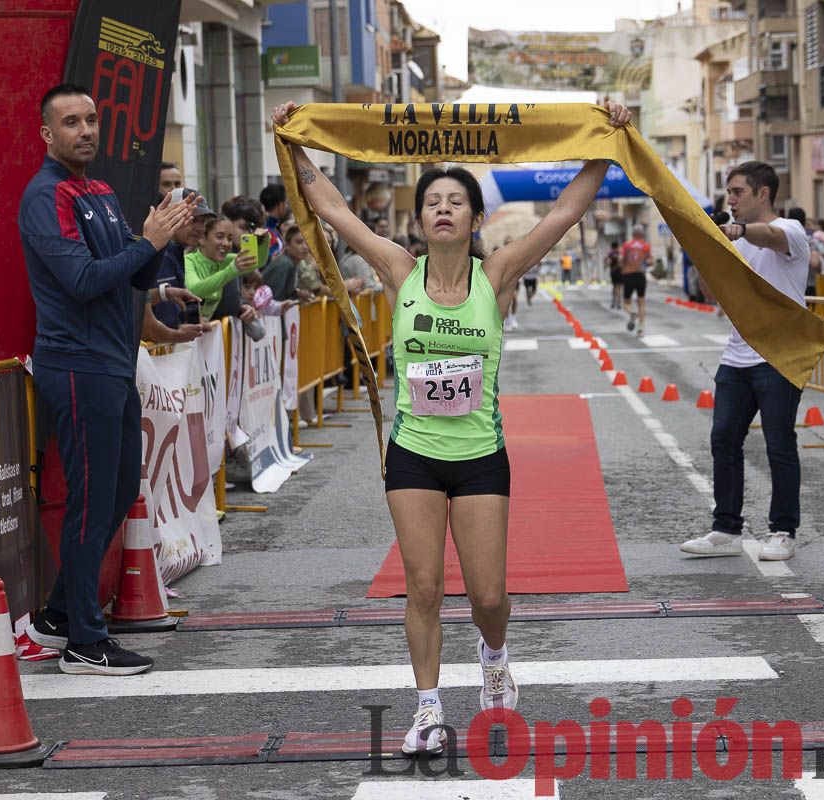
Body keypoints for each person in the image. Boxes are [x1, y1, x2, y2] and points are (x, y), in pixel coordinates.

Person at [272, 98, 632, 756]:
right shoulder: (398, 269)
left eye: (455, 201)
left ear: (474, 218)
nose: (443, 208)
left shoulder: (496, 274)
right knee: (425, 588)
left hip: (479, 457)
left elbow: (564, 213)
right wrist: (292, 141)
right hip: (413, 453)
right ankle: (429, 710)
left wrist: (608, 143)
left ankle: (494, 657)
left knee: (489, 595)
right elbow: (334, 209)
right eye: (433, 201)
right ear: (421, 219)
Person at [20, 84, 196, 675]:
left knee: (118, 493)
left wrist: (160, 237)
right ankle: (84, 641)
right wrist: (148, 241)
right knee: (92, 500)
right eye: (71, 122)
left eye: (91, 119)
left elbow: (133, 274)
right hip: (77, 364)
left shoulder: (98, 190)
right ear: (47, 134)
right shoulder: (45, 195)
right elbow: (84, 281)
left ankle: (58, 616)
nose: (86, 130)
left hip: (114, 363)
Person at [680, 161, 809, 562]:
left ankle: (783, 531)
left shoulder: (790, 230)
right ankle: (726, 529)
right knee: (723, 438)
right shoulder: (734, 239)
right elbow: (712, 294)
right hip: (737, 355)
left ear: (762, 193)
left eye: (737, 192)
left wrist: (738, 231)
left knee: (779, 443)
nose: (730, 200)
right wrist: (705, 250)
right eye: (729, 193)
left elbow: (770, 237)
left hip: (779, 355)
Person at [151, 188, 217, 329]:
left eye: (203, 221)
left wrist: (192, 321)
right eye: (193, 219)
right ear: (172, 215)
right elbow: (166, 318)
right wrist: (179, 331)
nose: (200, 228)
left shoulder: (175, 250)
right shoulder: (162, 253)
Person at [185, 214, 267, 321]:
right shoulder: (188, 260)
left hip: (206, 328)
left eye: (230, 238)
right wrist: (232, 270)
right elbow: (194, 290)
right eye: (220, 237)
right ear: (203, 239)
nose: (226, 243)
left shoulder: (226, 260)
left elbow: (257, 262)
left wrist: (264, 240)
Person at [620, 224, 653, 336]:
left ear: (632, 234)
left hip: (628, 275)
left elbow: (621, 259)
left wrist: (623, 267)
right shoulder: (646, 246)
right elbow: (650, 261)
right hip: (640, 276)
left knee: (626, 303)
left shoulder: (626, 245)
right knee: (641, 302)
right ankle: (641, 329)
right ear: (642, 234)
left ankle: (632, 312)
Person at [258, 182, 289, 262]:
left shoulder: (273, 228)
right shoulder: (268, 232)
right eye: (286, 203)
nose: (287, 206)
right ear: (280, 205)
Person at [605, 240, 622, 309]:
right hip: (619, 272)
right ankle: (619, 302)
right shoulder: (619, 252)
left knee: (614, 286)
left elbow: (606, 260)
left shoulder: (610, 253)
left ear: (612, 246)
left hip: (613, 272)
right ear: (617, 246)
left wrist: (606, 266)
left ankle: (613, 301)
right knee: (619, 287)